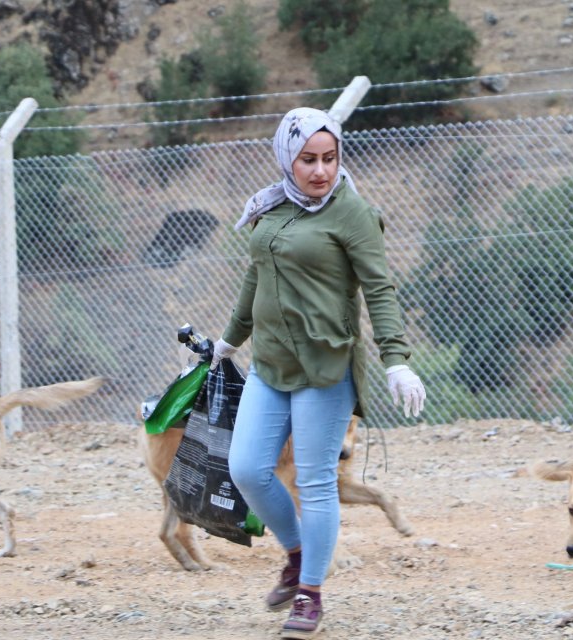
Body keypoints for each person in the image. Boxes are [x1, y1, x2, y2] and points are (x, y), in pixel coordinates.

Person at [213, 107, 426, 640]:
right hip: (271, 364)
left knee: (314, 481)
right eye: (308, 159)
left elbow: (379, 289)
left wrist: (396, 359)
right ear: (288, 157)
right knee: (247, 469)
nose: (320, 171)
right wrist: (228, 341)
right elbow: (254, 277)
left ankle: (310, 594)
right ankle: (298, 553)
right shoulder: (272, 205)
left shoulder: (351, 213)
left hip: (326, 366)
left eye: (329, 159)